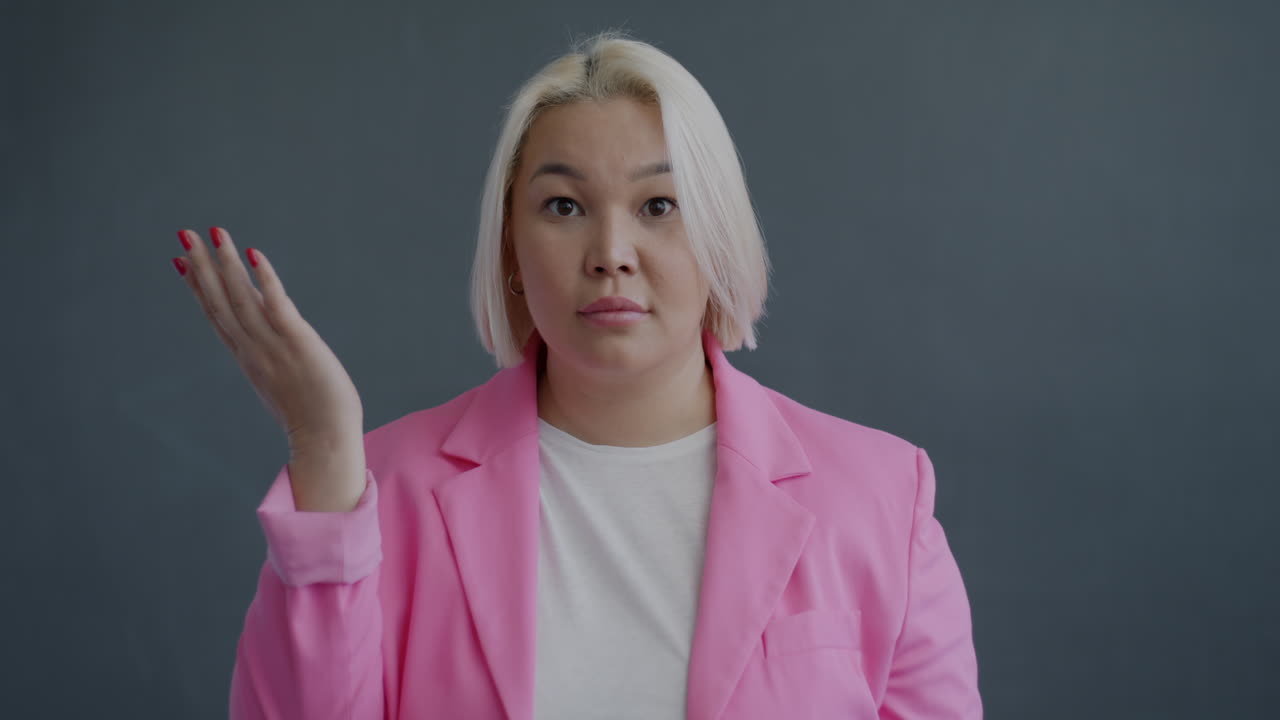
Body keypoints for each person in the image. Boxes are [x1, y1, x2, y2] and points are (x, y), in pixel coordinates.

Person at [173, 29, 981, 720]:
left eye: (659, 206)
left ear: (719, 239)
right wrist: (321, 446)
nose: (611, 253)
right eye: (563, 207)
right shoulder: (381, 493)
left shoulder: (881, 493)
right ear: (512, 253)